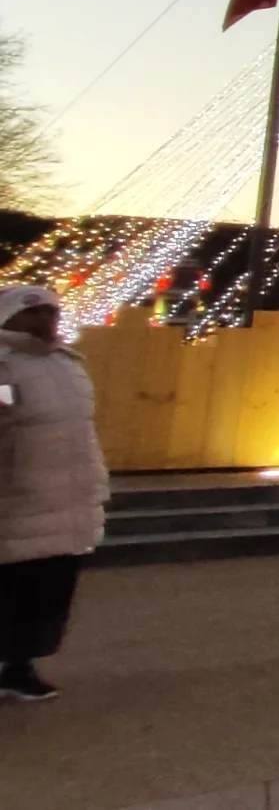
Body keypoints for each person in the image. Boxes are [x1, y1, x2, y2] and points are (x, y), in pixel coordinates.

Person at [0, 286, 106, 703]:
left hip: (67, 496)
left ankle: (19, 666)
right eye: (34, 314)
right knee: (10, 585)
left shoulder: (68, 365)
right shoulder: (4, 367)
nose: (46, 321)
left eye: (51, 313)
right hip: (17, 496)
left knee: (46, 591)